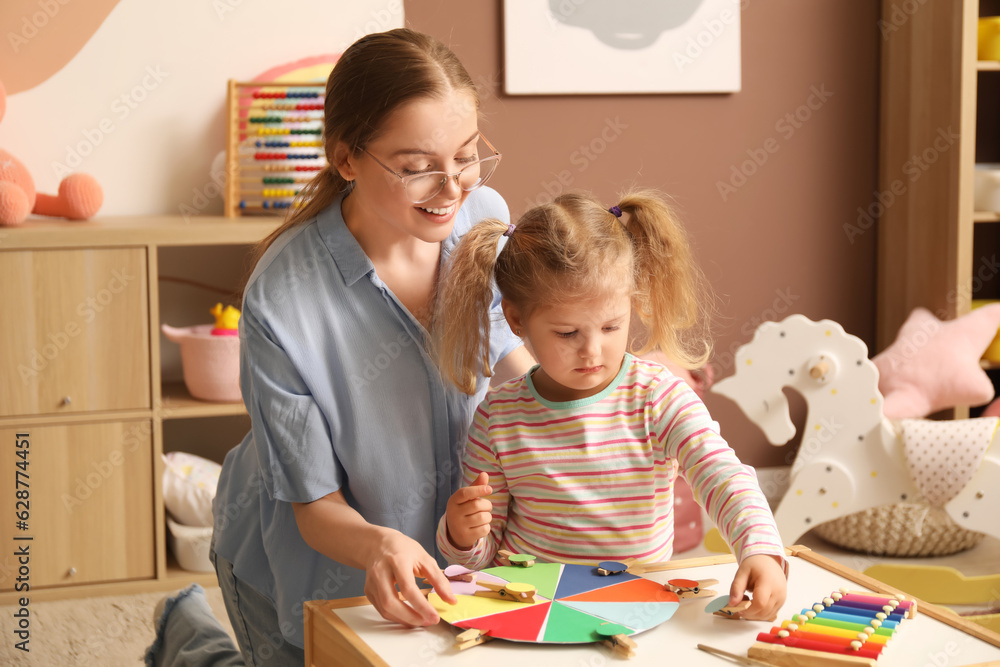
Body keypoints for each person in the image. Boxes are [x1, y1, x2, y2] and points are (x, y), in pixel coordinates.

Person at [146, 28, 532, 667]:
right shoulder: (282, 301)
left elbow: (508, 357)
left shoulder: (482, 217)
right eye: (415, 168)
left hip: (457, 554)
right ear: (346, 158)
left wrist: (596, 392)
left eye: (465, 156)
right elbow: (316, 506)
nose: (451, 189)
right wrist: (377, 546)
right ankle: (185, 635)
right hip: (305, 563)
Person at [433, 191, 788, 620]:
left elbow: (722, 475)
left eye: (611, 326)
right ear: (517, 320)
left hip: (638, 607)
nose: (592, 351)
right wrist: (461, 536)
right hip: (537, 615)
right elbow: (483, 559)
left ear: (630, 305)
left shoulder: (658, 396)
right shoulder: (498, 417)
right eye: (567, 333)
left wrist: (760, 549)